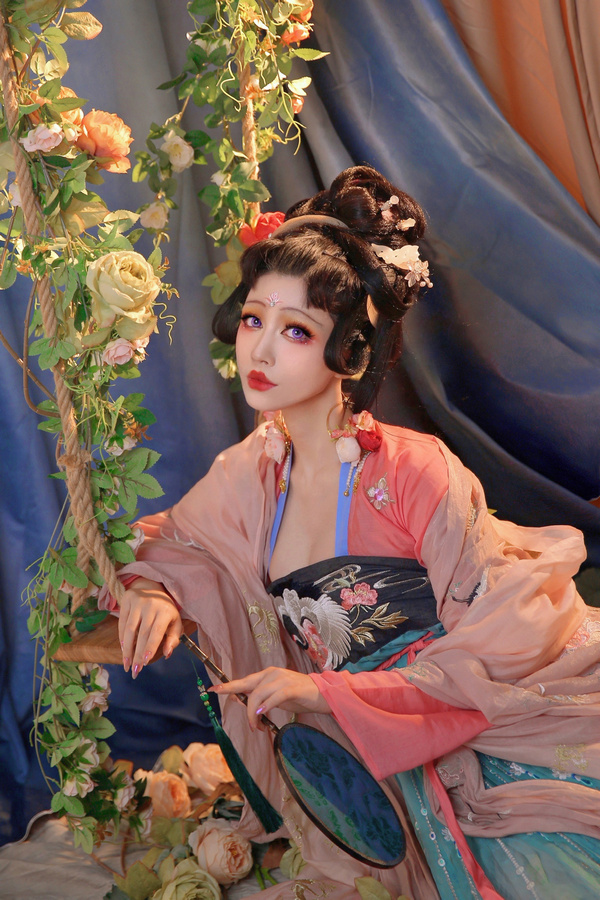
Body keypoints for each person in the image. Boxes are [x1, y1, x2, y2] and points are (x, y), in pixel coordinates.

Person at [111, 166, 600, 900]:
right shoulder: (253, 472)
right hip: (370, 756)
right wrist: (154, 590)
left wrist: (325, 693)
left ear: (352, 350)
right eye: (254, 319)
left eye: (296, 331)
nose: (261, 352)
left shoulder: (414, 471)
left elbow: (498, 641)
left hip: (478, 729)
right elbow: (179, 542)